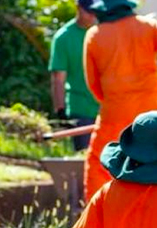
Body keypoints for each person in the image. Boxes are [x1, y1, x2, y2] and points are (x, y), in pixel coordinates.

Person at [83, 0, 157, 201]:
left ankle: (100, 220)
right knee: (154, 162)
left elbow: (92, 83)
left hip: (113, 114)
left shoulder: (95, 35)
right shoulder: (149, 27)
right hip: (150, 117)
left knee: (99, 164)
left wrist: (114, 101)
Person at [48, 0, 99, 151]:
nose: (92, 16)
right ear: (78, 8)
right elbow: (58, 78)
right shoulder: (64, 37)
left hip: (108, 109)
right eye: (88, 12)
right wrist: (60, 110)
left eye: (95, 12)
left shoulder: (103, 31)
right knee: (86, 159)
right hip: (81, 109)